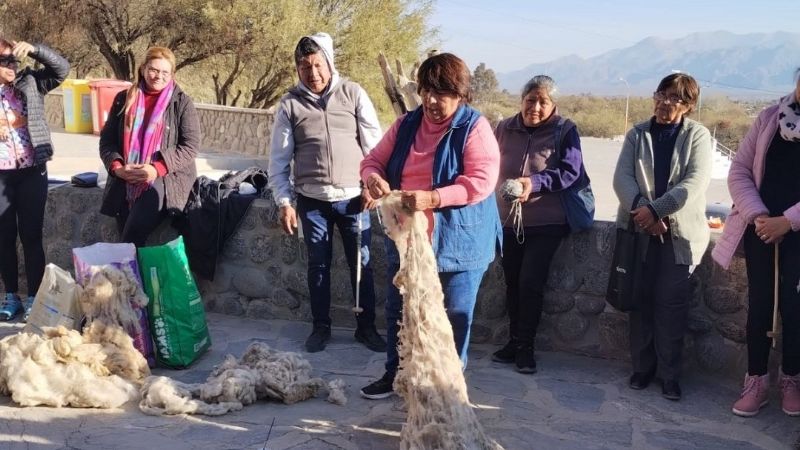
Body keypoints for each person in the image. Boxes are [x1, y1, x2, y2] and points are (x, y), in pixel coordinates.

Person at [359, 52, 501, 399]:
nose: (432, 101)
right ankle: (396, 375)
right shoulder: (407, 124)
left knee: (452, 318)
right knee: (398, 309)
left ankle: (445, 391)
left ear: (460, 95)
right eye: (426, 91)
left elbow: (481, 181)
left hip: (458, 242)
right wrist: (373, 178)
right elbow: (372, 159)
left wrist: (433, 198)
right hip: (408, 238)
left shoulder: (474, 127)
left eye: (442, 94)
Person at [268, 32, 386, 354]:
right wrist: (284, 201)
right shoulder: (289, 105)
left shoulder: (353, 93)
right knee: (317, 265)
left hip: (354, 199)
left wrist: (373, 183)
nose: (313, 73)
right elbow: (278, 160)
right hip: (312, 201)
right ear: (297, 69)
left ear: (330, 62)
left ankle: (366, 328)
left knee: (361, 264)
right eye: (305, 66)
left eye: (318, 64)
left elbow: (374, 146)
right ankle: (321, 327)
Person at [612, 73, 712, 401]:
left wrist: (658, 210)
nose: (665, 103)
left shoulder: (697, 136)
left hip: (677, 238)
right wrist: (644, 211)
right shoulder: (637, 134)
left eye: (675, 98)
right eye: (662, 94)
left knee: (671, 305)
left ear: (689, 106)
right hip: (639, 231)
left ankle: (670, 374)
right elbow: (622, 178)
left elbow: (693, 181)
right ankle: (642, 368)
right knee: (639, 300)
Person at [712, 68, 800, 417]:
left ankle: (792, 379)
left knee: (795, 308)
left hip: (796, 233)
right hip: (760, 227)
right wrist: (759, 215)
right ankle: (757, 381)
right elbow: (740, 171)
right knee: (760, 304)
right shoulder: (768, 119)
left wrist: (788, 222)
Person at [491, 75, 590, 374]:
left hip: (546, 221)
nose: (535, 106)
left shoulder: (565, 130)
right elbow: (488, 163)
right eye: (530, 100)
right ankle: (513, 341)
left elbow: (570, 172)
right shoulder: (503, 128)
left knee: (530, 282)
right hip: (508, 221)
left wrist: (531, 183)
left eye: (543, 101)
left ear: (553, 105)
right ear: (521, 101)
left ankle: (526, 347)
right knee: (511, 282)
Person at [99, 46, 200, 248]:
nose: (158, 77)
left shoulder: (181, 103)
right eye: (153, 70)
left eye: (165, 72)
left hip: (165, 178)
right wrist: (118, 168)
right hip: (125, 179)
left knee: (129, 241)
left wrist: (156, 169)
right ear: (143, 69)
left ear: (172, 74)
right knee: (132, 244)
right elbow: (107, 140)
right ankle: (134, 280)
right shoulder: (124, 98)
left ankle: (123, 278)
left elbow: (190, 146)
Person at [0, 39, 69, 321]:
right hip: (1, 175)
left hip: (32, 170)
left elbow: (62, 69)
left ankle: (34, 298)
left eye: (14, 59)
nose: (12, 66)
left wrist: (36, 50)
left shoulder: (31, 81)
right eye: (5, 61)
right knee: (4, 237)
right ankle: (11, 296)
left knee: (31, 235)